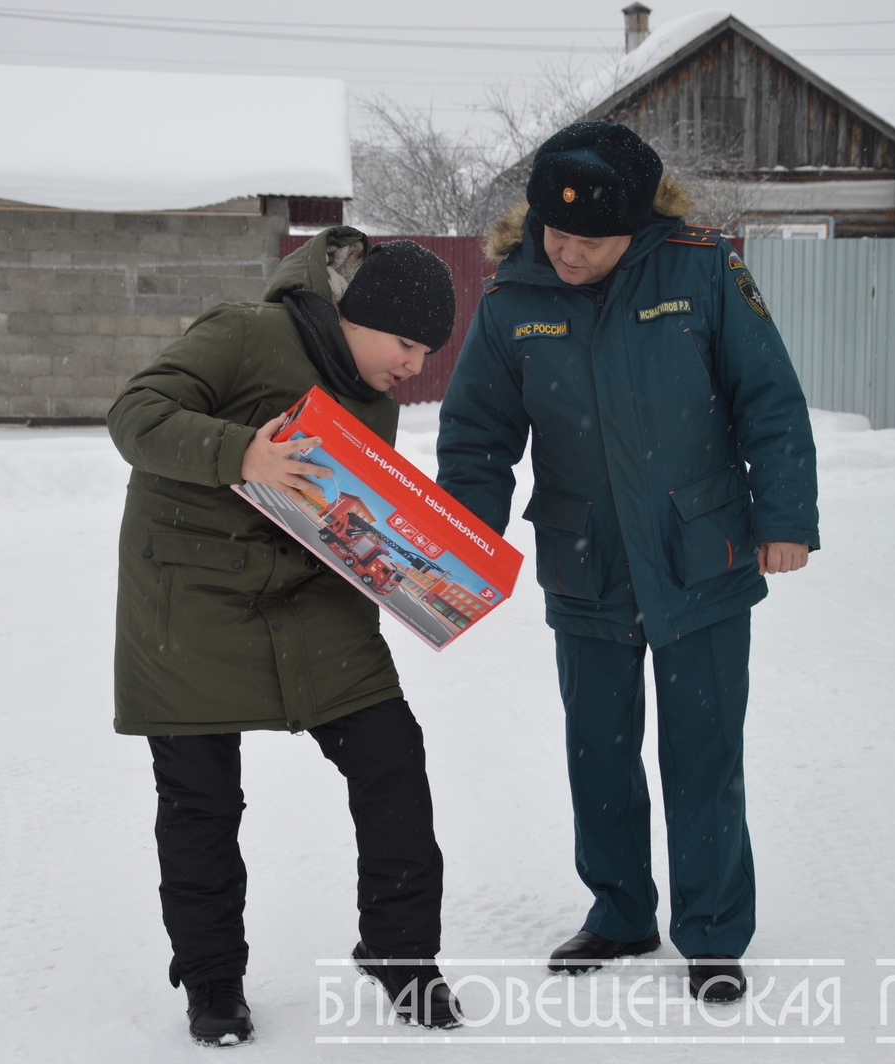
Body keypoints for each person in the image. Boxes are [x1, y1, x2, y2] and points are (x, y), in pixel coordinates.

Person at [437, 122, 819, 1003]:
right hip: (588, 561)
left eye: (592, 240)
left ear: (638, 226)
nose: (569, 252)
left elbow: (771, 398)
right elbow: (477, 441)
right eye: (556, 233)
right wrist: (461, 544)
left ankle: (714, 934)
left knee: (704, 752)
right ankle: (618, 913)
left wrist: (786, 515)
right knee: (598, 753)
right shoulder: (510, 302)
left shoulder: (702, 271)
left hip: (704, 555)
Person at [107, 230, 461, 1045]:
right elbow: (134, 414)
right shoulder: (242, 332)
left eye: (426, 352)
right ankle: (213, 980)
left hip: (308, 599)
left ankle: (401, 955)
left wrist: (415, 572)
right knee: (200, 800)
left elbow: (346, 513)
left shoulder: (374, 398)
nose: (414, 366)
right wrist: (243, 454)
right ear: (359, 317)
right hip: (189, 598)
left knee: (391, 758)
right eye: (405, 343)